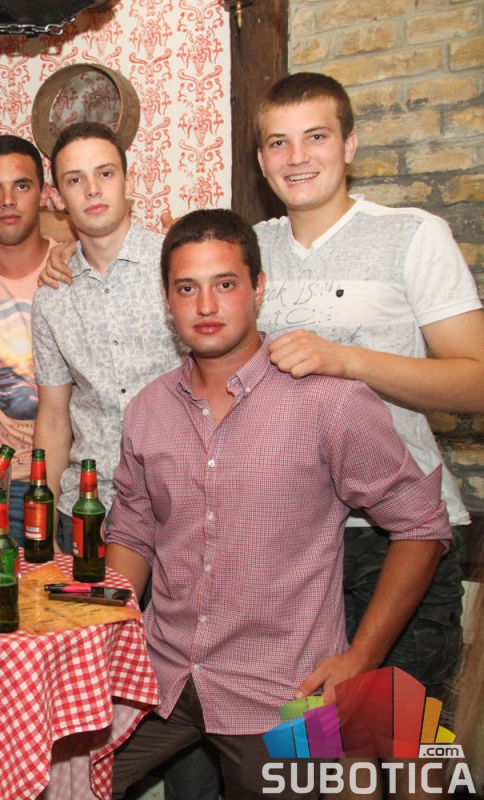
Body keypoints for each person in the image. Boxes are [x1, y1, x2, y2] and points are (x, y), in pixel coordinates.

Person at [104, 208, 451, 799]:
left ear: (259, 287)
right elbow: (134, 530)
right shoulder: (148, 409)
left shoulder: (330, 403)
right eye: (186, 288)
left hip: (283, 692)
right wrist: (108, 632)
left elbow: (422, 524)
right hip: (161, 673)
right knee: (60, 778)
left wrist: (362, 657)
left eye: (225, 283)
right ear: (167, 299)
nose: (206, 305)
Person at [254, 71, 482, 718]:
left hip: (400, 536)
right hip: (295, 538)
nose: (297, 157)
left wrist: (346, 360)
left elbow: (476, 380)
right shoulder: (253, 246)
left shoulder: (411, 234)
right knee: (313, 744)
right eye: (278, 142)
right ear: (262, 159)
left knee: (404, 744)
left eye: (316, 137)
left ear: (349, 145)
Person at [30, 122, 184, 553]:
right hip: (86, 506)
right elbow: (54, 417)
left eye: (105, 173)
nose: (93, 189)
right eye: (75, 180)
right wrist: (46, 526)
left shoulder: (177, 266)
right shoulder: (51, 298)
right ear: (57, 198)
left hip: (178, 503)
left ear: (127, 182)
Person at [0, 135, 58, 540]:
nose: (8, 201)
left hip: (80, 476)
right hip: (2, 484)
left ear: (43, 193)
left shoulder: (74, 266)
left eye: (21, 185)